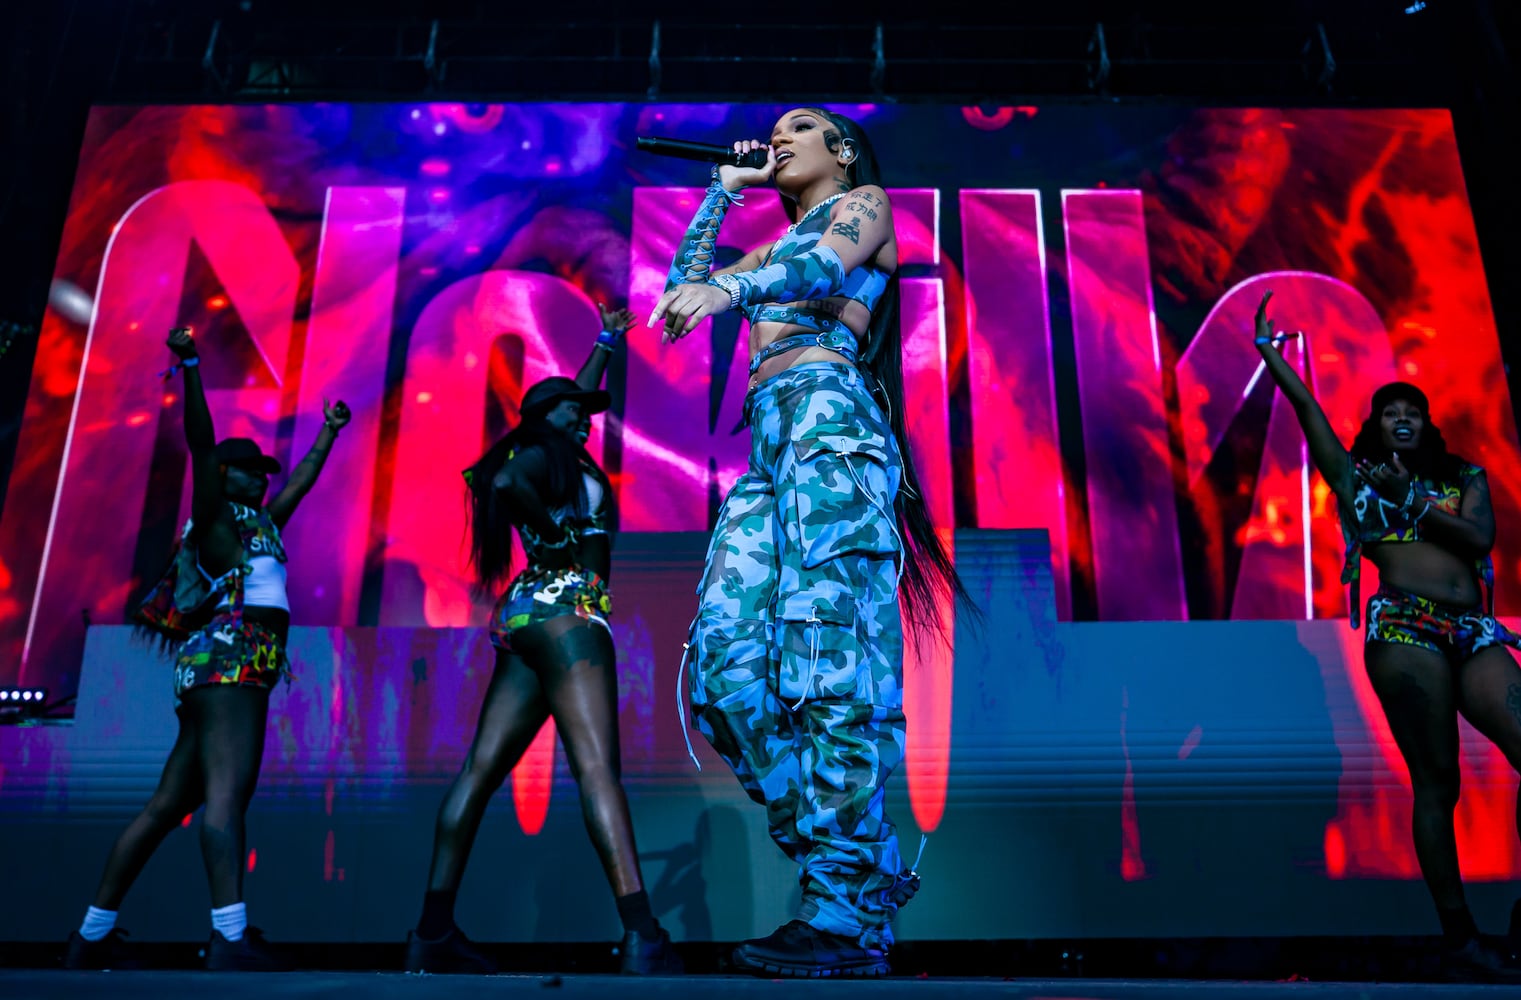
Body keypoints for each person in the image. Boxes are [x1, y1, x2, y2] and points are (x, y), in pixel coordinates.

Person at [649, 107, 973, 978]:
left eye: (802, 127)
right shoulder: (772, 248)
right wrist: (721, 195)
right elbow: (682, 287)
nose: (778, 137)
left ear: (841, 151)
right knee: (722, 671)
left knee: (828, 667)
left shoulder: (863, 206)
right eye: (774, 130)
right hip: (768, 449)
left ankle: (839, 909)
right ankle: (858, 874)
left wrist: (728, 289)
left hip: (833, 428)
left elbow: (818, 266)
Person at [405, 304, 682, 976]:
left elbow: (562, 404)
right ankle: (641, 934)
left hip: (526, 616)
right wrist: (557, 540)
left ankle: (431, 934)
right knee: (595, 771)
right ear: (541, 420)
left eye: (583, 410)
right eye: (570, 411)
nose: (584, 418)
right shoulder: (540, 454)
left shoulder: (557, 445)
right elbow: (500, 479)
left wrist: (605, 343)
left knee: (479, 771)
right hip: (569, 617)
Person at [64, 326, 350, 972]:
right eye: (247, 469)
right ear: (226, 476)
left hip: (221, 666)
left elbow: (298, 482)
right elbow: (199, 442)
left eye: (259, 471)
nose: (258, 476)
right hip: (231, 662)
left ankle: (90, 935)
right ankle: (228, 937)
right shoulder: (218, 520)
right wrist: (191, 363)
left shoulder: (262, 525)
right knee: (227, 795)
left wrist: (329, 433)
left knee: (169, 805)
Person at [1255, 291, 1521, 981]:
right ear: (1375, 424)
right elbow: (1308, 415)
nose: (1400, 419)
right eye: (1388, 412)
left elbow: (1479, 537)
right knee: (1437, 781)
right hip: (1403, 626)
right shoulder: (1353, 479)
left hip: (1473, 628)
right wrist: (1271, 359)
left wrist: (1411, 500)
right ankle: (1459, 935)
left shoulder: (1461, 476)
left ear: (1425, 426)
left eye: (1412, 412)